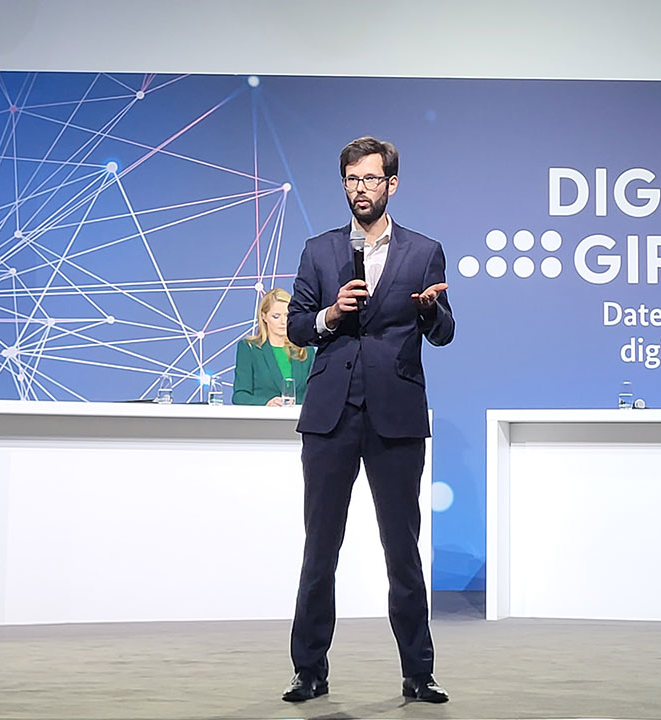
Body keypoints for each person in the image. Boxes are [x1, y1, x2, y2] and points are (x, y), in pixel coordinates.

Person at [282, 137, 454, 704]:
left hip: (395, 416)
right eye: (352, 179)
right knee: (319, 549)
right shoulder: (319, 251)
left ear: (391, 185)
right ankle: (308, 670)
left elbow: (445, 332)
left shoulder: (424, 251)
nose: (361, 189)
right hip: (331, 416)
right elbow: (298, 326)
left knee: (402, 551)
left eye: (371, 179)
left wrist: (429, 310)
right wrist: (331, 313)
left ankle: (419, 672)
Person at [232, 288, 312, 406]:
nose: (283, 322)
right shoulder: (249, 348)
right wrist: (267, 404)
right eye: (276, 316)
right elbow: (240, 396)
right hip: (264, 417)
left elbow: (315, 395)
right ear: (264, 316)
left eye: (287, 315)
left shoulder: (305, 350)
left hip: (299, 417)